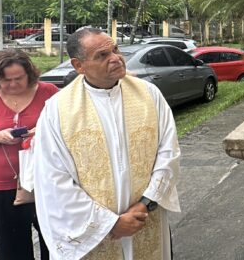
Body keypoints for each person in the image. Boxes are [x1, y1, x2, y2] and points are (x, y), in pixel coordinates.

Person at [34, 27, 181, 259]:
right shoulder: (57, 111)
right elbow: (53, 180)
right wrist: (110, 224)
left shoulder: (149, 94)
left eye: (115, 49)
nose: (115, 58)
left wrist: (145, 204)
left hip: (145, 219)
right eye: (102, 55)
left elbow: (169, 152)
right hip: (95, 234)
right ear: (78, 65)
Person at [0, 49, 58, 259]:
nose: (13, 84)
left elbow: (68, 130)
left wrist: (41, 133)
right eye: (5, 80)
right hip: (0, 185)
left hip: (47, 182)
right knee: (11, 249)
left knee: (56, 244)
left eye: (18, 78)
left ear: (29, 73)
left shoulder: (48, 92)